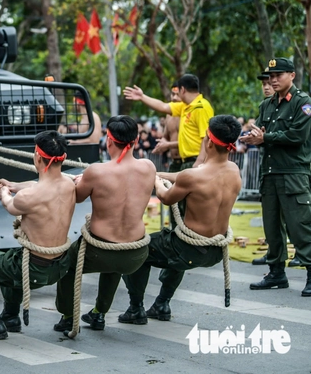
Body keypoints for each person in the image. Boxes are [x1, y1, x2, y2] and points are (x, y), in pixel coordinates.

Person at [119, 115, 242, 324]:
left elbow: (166, 198)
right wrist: (159, 174)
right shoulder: (233, 171)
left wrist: (157, 183)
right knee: (173, 248)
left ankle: (135, 309)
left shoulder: (193, 177)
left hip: (189, 249)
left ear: (209, 141)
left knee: (136, 250)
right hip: (214, 252)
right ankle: (161, 304)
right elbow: (192, 177)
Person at [0, 130, 76, 339]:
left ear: (37, 156)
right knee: (9, 256)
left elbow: (10, 204)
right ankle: (10, 316)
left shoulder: (28, 197)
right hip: (60, 266)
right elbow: (39, 186)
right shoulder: (70, 185)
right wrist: (14, 185)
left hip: (34, 270)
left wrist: (6, 192)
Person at [52, 116, 154, 333]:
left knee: (66, 263)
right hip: (136, 253)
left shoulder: (96, 171)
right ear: (135, 141)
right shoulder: (149, 167)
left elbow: (77, 197)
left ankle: (69, 315)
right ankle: (99, 313)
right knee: (115, 264)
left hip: (99, 251)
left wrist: (80, 181)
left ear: (108, 140)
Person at [239, 58, 311, 296]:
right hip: (269, 173)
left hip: (293, 173)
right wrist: (249, 137)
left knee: (300, 226)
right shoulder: (267, 105)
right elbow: (259, 130)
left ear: (292, 75)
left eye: (278, 74)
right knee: (271, 227)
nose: (273, 79)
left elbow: (297, 136)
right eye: (271, 76)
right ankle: (276, 273)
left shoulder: (303, 102)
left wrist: (265, 138)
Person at [125, 74, 214, 220]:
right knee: (176, 206)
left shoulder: (201, 107)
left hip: (194, 161)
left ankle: (188, 239)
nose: (176, 94)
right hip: (184, 162)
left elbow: (206, 137)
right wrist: (142, 97)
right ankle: (176, 237)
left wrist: (199, 163)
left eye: (177, 91)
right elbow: (163, 106)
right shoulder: (185, 107)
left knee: (189, 207)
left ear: (183, 90)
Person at [152, 84, 182, 173]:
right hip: (174, 162)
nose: (174, 98)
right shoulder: (169, 115)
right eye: (173, 94)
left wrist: (168, 145)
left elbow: (189, 141)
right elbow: (165, 136)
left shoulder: (188, 113)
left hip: (189, 162)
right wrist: (160, 146)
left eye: (178, 95)